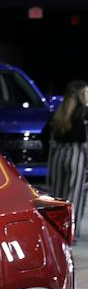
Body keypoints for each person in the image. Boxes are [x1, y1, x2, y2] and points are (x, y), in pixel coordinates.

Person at [46, 78, 88, 244]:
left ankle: (56, 230)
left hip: (58, 156)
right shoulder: (84, 112)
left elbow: (50, 141)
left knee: (58, 195)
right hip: (77, 155)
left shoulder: (60, 113)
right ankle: (70, 233)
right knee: (74, 196)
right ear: (80, 95)